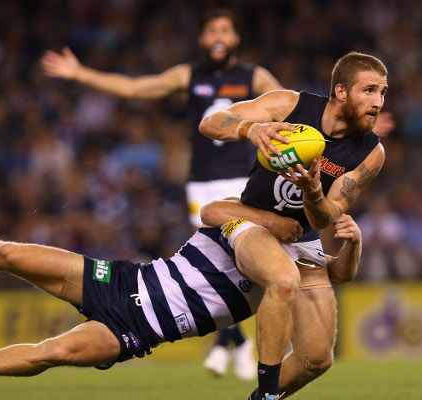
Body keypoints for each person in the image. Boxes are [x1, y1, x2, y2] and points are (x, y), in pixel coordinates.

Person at [0, 203, 361, 400]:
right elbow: (212, 212)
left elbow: (336, 274)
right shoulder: (242, 222)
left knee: (51, 353)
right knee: (6, 252)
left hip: (138, 330)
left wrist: (352, 242)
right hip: (122, 280)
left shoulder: (299, 256)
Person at [41, 8, 281, 380]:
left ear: (235, 38)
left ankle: (228, 344)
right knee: (216, 262)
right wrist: (80, 73)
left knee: (247, 258)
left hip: (242, 184)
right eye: (211, 30)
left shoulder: (254, 76)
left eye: (225, 30)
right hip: (202, 186)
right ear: (202, 38)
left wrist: (348, 126)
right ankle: (236, 342)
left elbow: (291, 108)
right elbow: (136, 88)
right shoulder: (188, 75)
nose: (218, 36)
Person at [198, 51, 388, 399]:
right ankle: (267, 388)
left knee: (317, 359)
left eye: (382, 93)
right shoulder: (289, 105)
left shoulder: (370, 153)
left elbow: (327, 216)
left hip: (302, 237)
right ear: (342, 91)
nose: (377, 102)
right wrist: (250, 129)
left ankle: (259, 398)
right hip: (250, 220)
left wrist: (313, 191)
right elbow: (211, 123)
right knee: (282, 280)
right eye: (370, 91)